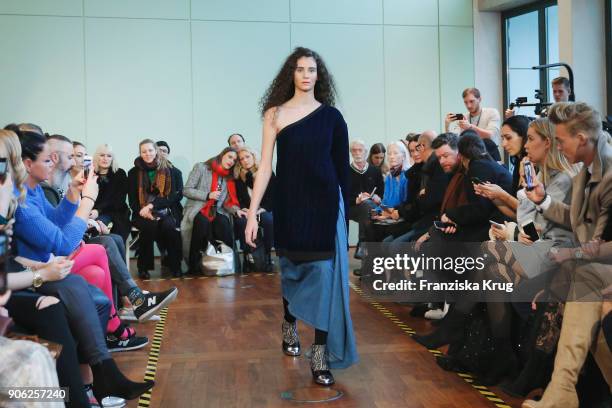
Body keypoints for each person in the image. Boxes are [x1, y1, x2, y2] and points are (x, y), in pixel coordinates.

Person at [0, 128, 154, 404]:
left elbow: (54, 226)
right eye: (51, 159)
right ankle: (98, 372)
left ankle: (97, 376)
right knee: (98, 255)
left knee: (94, 273)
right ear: (25, 163)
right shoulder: (19, 199)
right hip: (32, 271)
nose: (61, 162)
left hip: (33, 268)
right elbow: (60, 243)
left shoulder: (29, 192)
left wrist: (73, 193)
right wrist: (87, 200)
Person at [245, 47, 358, 386]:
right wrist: (252, 214)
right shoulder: (274, 114)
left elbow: (342, 171)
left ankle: (320, 354)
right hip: (290, 204)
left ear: (318, 75)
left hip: (325, 206)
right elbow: (264, 167)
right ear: (290, 74)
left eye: (312, 69)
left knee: (324, 275)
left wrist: (344, 213)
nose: (306, 74)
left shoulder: (332, 117)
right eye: (300, 69)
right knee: (291, 270)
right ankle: (289, 322)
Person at [522, 102, 612, 408]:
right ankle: (560, 391)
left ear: (582, 139)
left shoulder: (607, 174)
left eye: (561, 140)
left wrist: (572, 253)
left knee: (581, 284)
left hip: (599, 265)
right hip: (594, 265)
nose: (558, 146)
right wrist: (543, 200)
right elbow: (577, 219)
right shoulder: (585, 173)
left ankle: (561, 391)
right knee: (580, 287)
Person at [128, 139, 184, 278]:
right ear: (140, 153)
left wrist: (152, 206)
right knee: (149, 226)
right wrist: (143, 211)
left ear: (156, 151)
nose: (147, 154)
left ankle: (174, 266)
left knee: (169, 226)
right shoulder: (133, 172)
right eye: (144, 151)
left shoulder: (170, 170)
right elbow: (133, 200)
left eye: (150, 150)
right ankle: (143, 268)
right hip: (141, 212)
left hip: (166, 210)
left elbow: (173, 197)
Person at [181, 147, 240, 275]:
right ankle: (194, 265)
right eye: (230, 157)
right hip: (198, 208)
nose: (231, 161)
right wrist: (208, 195)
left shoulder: (228, 178)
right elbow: (187, 190)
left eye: (234, 160)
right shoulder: (202, 167)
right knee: (202, 223)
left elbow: (226, 203)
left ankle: (227, 264)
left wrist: (236, 211)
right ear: (222, 155)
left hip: (216, 210)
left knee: (223, 224)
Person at [474, 115, 531, 218]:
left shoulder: (530, 165)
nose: (504, 144)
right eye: (502, 138)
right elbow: (517, 215)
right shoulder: (518, 163)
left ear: (524, 137)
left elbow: (530, 212)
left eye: (508, 138)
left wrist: (501, 194)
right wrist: (493, 196)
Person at [234, 146, 275, 272]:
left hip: (264, 209)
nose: (245, 161)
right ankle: (248, 255)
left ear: (254, 157)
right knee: (241, 222)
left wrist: (263, 208)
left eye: (247, 157)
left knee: (268, 220)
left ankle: (267, 254)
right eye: (241, 159)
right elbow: (239, 198)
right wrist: (244, 209)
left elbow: (274, 195)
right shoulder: (239, 177)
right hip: (247, 210)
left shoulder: (266, 173)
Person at [348, 139, 383, 260]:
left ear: (365, 152)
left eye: (360, 150)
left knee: (367, 208)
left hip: (372, 207)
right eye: (354, 150)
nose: (357, 153)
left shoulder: (375, 171)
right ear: (351, 152)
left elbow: (381, 194)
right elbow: (342, 197)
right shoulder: (345, 171)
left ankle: (364, 249)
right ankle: (364, 247)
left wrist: (376, 197)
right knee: (365, 207)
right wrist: (356, 200)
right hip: (353, 208)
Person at [92, 144, 131, 241]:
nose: (105, 158)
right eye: (102, 155)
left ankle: (113, 255)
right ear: (97, 157)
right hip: (93, 211)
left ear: (112, 158)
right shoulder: (90, 174)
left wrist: (98, 210)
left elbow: (119, 200)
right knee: (88, 227)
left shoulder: (120, 173)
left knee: (98, 226)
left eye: (109, 156)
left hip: (116, 212)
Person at [505, 76, 572, 118]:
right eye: (554, 91)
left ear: (569, 91)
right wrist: (512, 118)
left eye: (560, 91)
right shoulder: (548, 111)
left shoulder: (575, 111)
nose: (557, 94)